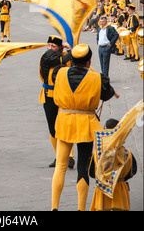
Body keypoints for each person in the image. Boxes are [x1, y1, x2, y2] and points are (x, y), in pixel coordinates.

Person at [51, 44, 119, 211]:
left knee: (61, 165)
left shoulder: (59, 73)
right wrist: (91, 69)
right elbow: (107, 93)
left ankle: (54, 207)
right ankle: (81, 208)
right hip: (86, 124)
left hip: (65, 121)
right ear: (89, 62)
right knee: (83, 166)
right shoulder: (96, 78)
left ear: (72, 61)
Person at [39, 35, 74, 168]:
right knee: (53, 128)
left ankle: (69, 156)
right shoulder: (47, 56)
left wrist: (72, 51)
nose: (50, 48)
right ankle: (60, 156)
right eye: (49, 45)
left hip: (65, 96)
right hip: (49, 95)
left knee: (66, 126)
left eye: (53, 46)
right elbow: (62, 60)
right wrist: (71, 51)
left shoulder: (66, 55)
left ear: (59, 47)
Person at [89, 118, 137, 211]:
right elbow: (132, 171)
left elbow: (91, 172)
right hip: (120, 189)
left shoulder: (97, 154)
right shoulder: (127, 153)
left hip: (102, 188)